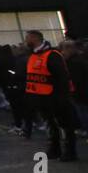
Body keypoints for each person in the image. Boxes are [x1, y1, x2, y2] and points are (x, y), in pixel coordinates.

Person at [25, 30, 78, 161]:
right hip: (40, 97)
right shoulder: (33, 56)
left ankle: (70, 151)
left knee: (64, 125)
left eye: (27, 38)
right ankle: (55, 148)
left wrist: (62, 97)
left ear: (34, 38)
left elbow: (62, 77)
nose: (26, 41)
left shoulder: (52, 55)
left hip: (54, 97)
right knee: (50, 124)